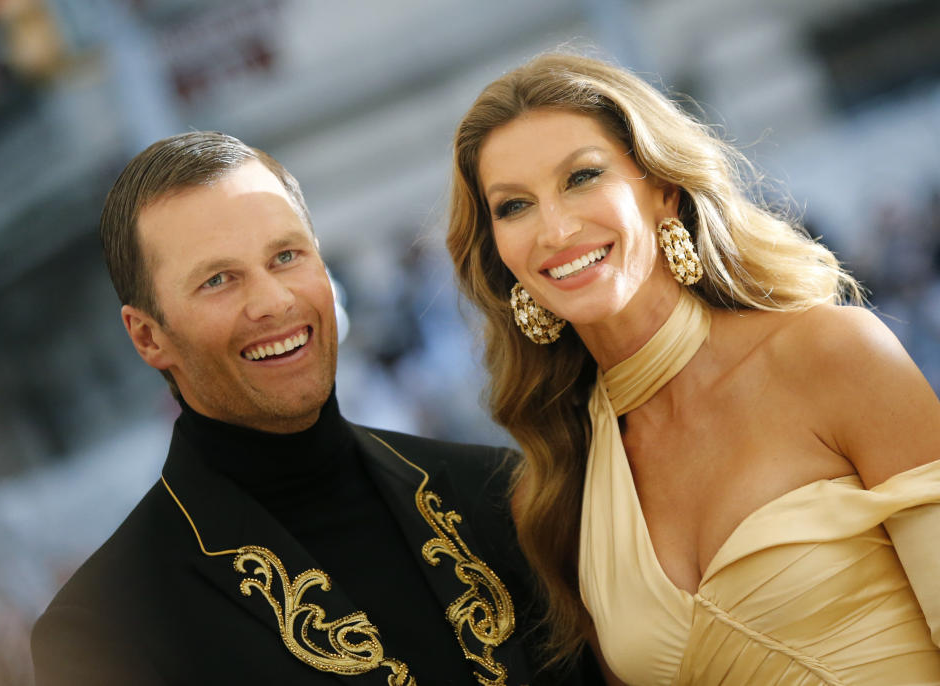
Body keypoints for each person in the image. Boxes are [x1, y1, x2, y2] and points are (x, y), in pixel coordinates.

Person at [31, 131, 600, 686]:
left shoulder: (500, 494)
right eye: (218, 280)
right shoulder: (105, 627)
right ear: (149, 336)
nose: (274, 302)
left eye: (286, 256)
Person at [446, 53, 940, 685]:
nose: (556, 228)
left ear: (663, 191)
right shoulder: (554, 492)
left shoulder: (830, 353)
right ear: (498, 252)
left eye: (582, 177)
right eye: (514, 206)